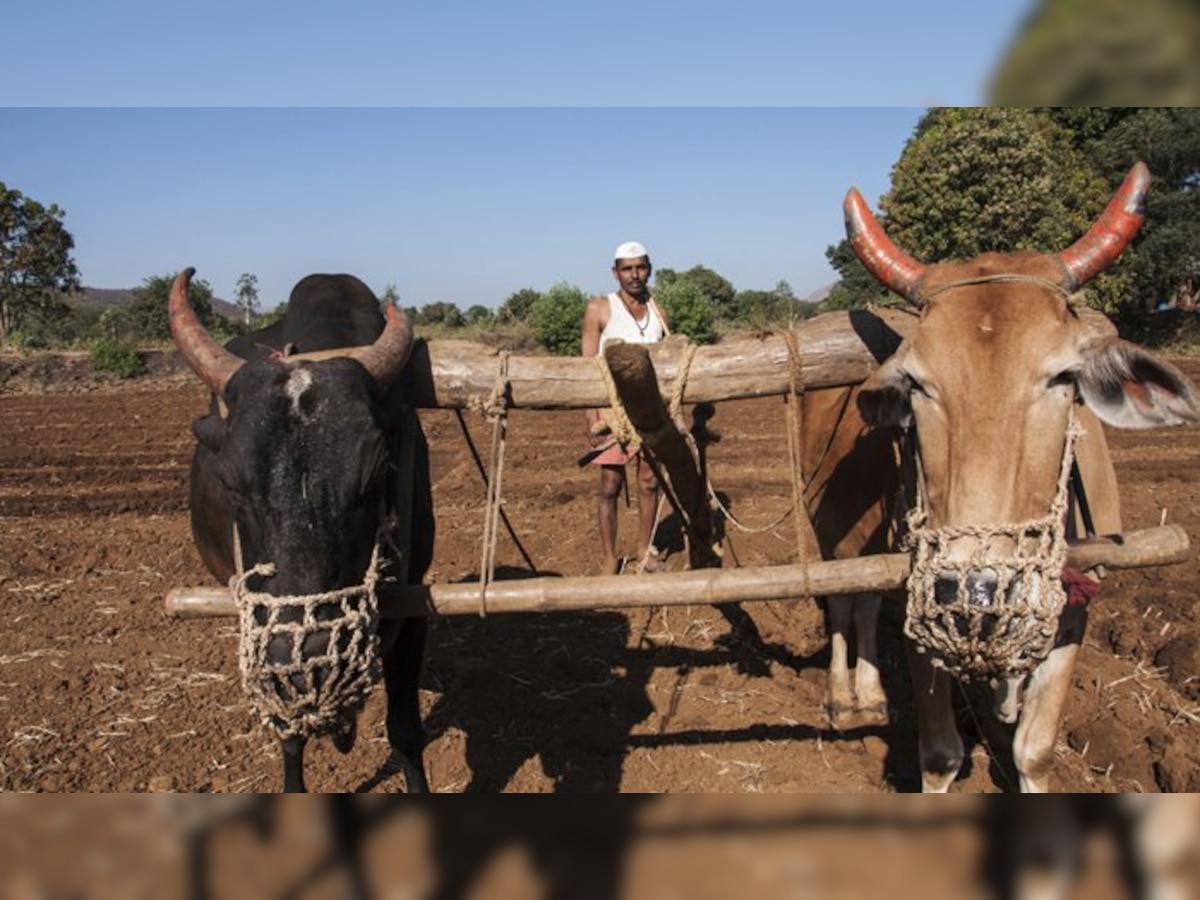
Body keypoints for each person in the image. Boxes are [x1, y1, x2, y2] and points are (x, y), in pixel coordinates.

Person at [581, 241, 670, 575]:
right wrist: (592, 417)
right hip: (611, 413)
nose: (635, 275)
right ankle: (609, 557)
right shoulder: (600, 309)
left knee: (649, 482)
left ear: (650, 269)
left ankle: (645, 551)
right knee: (609, 485)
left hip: (651, 413)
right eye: (627, 268)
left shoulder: (660, 313)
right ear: (615, 272)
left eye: (641, 267)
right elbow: (587, 367)